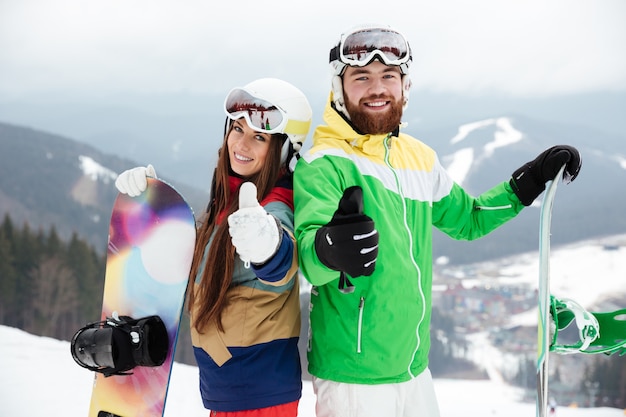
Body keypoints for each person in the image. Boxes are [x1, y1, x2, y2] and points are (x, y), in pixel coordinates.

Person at [293, 23, 582, 417]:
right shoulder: (323, 164)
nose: (377, 88)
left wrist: (529, 181)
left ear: (404, 86)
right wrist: (329, 250)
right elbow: (308, 259)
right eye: (362, 77)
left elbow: (469, 220)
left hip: (414, 370)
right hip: (354, 377)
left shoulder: (418, 159)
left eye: (389, 77)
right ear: (340, 88)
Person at [115, 78, 313, 416]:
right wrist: (154, 208)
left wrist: (266, 245)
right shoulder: (228, 201)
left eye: (260, 136)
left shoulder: (273, 209)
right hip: (230, 390)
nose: (243, 143)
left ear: (282, 149)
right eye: (237, 129)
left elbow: (281, 262)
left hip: (260, 396)